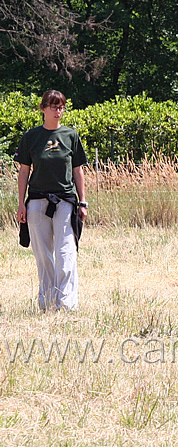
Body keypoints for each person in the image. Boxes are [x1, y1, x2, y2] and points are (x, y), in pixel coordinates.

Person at [15, 90, 89, 312]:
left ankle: (66, 304)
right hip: (37, 202)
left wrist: (82, 202)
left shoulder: (70, 136)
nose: (58, 111)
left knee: (66, 252)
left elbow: (77, 171)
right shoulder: (31, 137)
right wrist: (21, 204)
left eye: (62, 107)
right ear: (43, 109)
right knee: (44, 256)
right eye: (54, 107)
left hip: (65, 202)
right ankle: (47, 303)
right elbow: (24, 171)